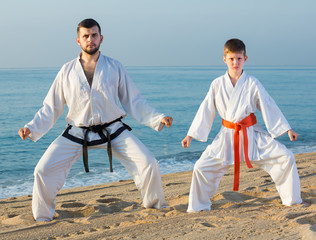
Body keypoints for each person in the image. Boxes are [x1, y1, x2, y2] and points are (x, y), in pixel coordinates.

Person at [18, 18, 173, 222]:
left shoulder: (115, 67)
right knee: (43, 169)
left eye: (94, 35)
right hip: (76, 132)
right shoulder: (67, 71)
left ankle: (155, 206)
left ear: (101, 38)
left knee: (149, 163)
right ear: (78, 40)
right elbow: (52, 106)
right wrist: (31, 127)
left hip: (113, 130)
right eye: (86, 36)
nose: (90, 39)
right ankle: (43, 217)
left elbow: (133, 100)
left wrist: (158, 117)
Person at [181, 38, 302, 213]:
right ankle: (198, 206)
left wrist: (286, 128)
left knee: (286, 157)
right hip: (227, 136)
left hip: (252, 135)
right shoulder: (217, 84)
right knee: (201, 167)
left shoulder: (252, 82)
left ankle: (292, 201)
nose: (235, 62)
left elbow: (268, 104)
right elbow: (206, 109)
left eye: (239, 58)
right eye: (231, 59)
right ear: (224, 59)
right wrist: (190, 134)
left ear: (245, 58)